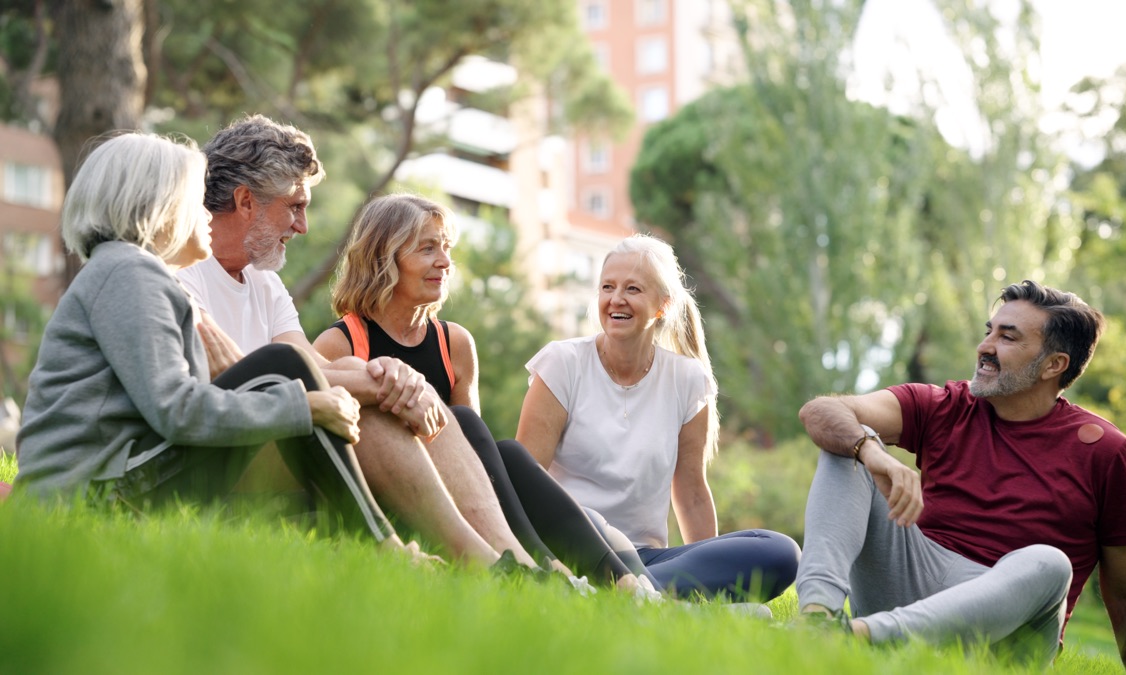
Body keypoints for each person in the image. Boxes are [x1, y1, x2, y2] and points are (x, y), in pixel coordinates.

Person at [13, 133, 422, 561]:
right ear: (157, 207)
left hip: (108, 477)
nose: (209, 212)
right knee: (282, 364)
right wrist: (305, 406)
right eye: (196, 200)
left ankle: (370, 539)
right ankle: (383, 546)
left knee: (284, 371)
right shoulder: (128, 273)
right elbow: (178, 410)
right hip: (93, 490)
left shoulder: (130, 272)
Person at [176, 115, 547, 574]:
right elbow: (252, 376)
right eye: (294, 207)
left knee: (371, 376)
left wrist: (394, 375)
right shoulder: (180, 271)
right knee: (366, 390)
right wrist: (382, 386)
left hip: (273, 441)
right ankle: (478, 562)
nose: (303, 226)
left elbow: (310, 364)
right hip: (218, 456)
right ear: (246, 201)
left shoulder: (264, 283)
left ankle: (515, 563)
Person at [794, 280, 1126, 672]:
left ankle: (860, 636)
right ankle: (818, 621)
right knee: (849, 443)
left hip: (1007, 637)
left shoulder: (1109, 452)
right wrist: (870, 451)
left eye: (1008, 337)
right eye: (990, 331)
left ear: (1053, 365)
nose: (985, 346)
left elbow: (1124, 590)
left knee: (1050, 562)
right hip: (915, 580)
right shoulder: (946, 406)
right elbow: (820, 412)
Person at [313, 193, 660, 595]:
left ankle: (626, 586)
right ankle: (543, 572)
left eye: (446, 248)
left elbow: (470, 458)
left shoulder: (455, 343)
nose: (445, 262)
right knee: (467, 423)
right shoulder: (340, 344)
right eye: (428, 249)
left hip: (466, 507)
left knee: (507, 452)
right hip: (402, 504)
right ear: (384, 259)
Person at [515, 234, 801, 602]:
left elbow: (691, 492)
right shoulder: (562, 363)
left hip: (646, 557)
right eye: (607, 287)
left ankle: (630, 593)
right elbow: (525, 482)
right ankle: (644, 594)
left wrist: (709, 566)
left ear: (663, 305)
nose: (616, 299)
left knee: (778, 551)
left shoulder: (687, 379)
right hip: (575, 546)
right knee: (588, 526)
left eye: (632, 288)